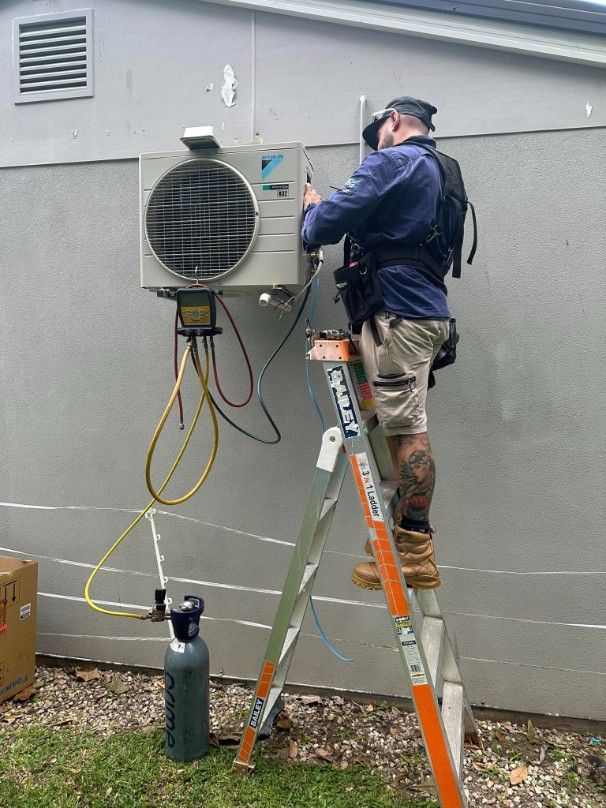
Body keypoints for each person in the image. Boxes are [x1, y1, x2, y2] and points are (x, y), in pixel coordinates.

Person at [302, 96, 457, 591]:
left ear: (392, 122)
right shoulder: (438, 170)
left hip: (400, 318)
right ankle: (402, 538)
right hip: (423, 314)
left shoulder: (396, 160)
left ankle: (414, 549)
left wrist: (311, 209)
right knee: (396, 424)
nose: (375, 146)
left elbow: (324, 225)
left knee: (407, 430)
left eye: (378, 135)